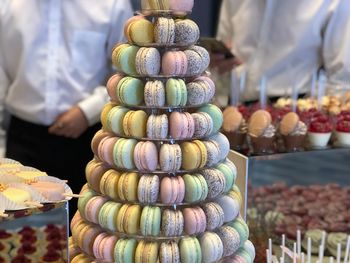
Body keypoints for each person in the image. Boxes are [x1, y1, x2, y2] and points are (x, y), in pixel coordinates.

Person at [0, 0, 133, 216]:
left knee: (85, 230)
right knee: (21, 238)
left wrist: (87, 111)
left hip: (88, 141)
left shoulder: (111, 4)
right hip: (22, 141)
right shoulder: (7, 5)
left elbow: (127, 72)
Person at [212, 0, 350, 102]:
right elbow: (221, 54)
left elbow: (341, 80)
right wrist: (214, 65)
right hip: (235, 104)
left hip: (295, 109)